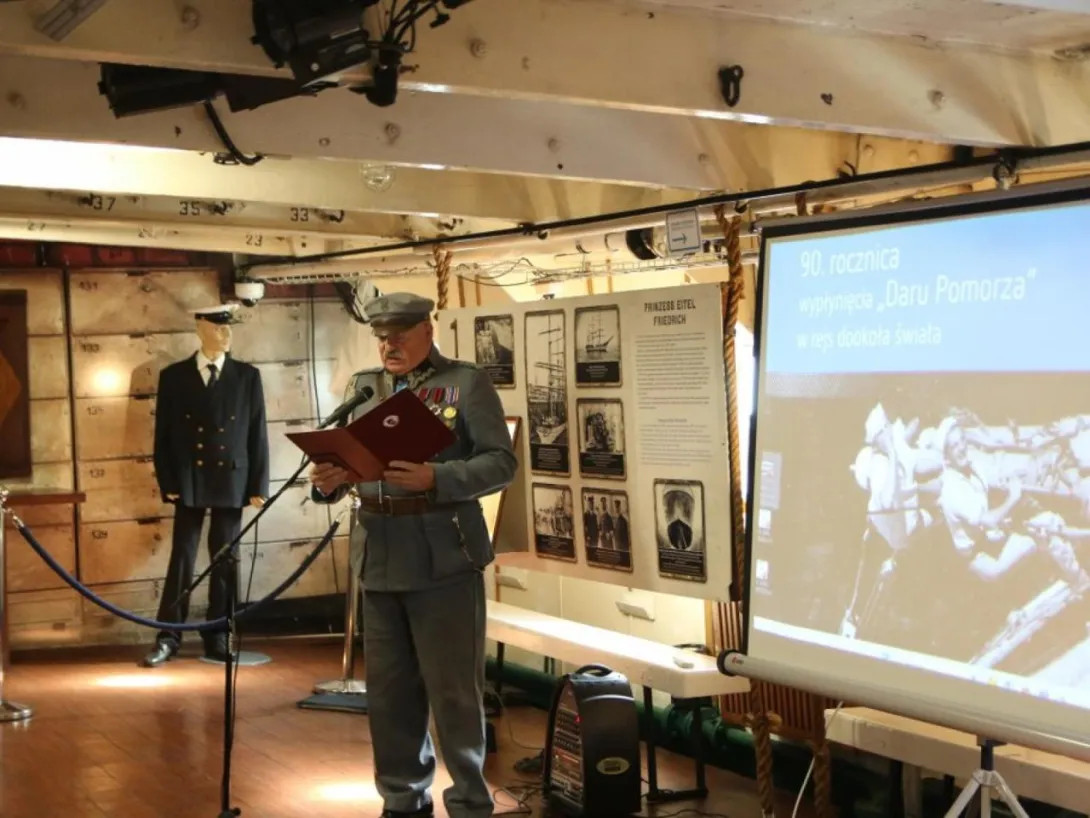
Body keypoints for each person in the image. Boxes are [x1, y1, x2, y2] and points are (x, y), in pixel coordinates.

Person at [310, 292, 517, 818]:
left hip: (442, 555)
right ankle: (403, 800)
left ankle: (470, 801)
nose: (389, 346)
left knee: (454, 694)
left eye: (399, 335)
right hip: (379, 554)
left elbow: (501, 463)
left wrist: (438, 476)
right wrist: (329, 481)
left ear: (428, 329)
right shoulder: (364, 388)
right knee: (389, 695)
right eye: (382, 337)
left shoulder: (465, 383)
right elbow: (350, 463)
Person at [144, 304, 269, 667]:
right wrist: (167, 479)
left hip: (232, 476)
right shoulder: (174, 376)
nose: (226, 335)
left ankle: (219, 634)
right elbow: (163, 435)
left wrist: (258, 483)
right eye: (218, 328)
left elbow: (257, 432)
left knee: (225, 559)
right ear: (200, 328)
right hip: (189, 477)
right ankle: (168, 636)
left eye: (229, 329)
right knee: (182, 556)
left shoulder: (247, 376)